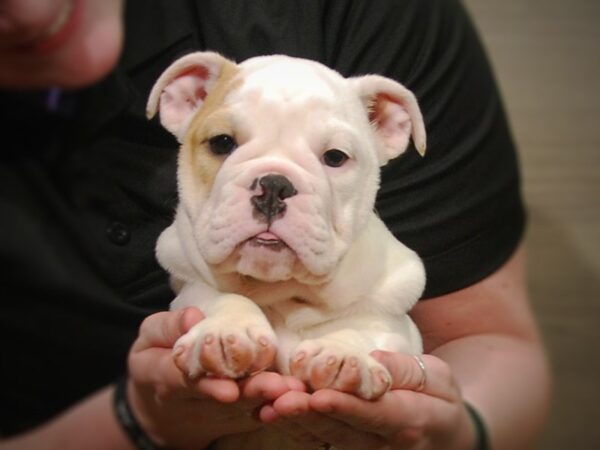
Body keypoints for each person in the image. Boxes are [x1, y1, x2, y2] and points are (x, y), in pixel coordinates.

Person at [0, 0, 551, 449]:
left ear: (389, 130)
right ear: (180, 102)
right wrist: (138, 420)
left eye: (333, 157)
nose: (271, 190)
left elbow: (489, 337)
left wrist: (453, 436)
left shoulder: (373, 17)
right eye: (223, 143)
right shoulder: (199, 288)